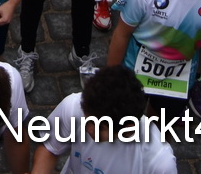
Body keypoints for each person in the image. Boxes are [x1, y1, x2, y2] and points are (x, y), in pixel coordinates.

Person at [32, 65, 176, 174]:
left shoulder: (159, 163)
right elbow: (50, 149)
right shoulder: (74, 105)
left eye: (100, 127)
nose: (88, 129)